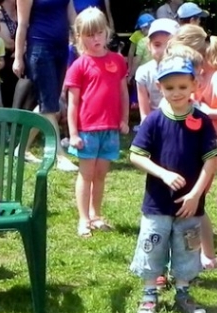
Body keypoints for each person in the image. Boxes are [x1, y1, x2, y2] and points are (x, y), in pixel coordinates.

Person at [129, 55, 217, 313]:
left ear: (194, 84)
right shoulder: (154, 121)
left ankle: (183, 291)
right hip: (157, 202)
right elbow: (135, 155)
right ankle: (149, 294)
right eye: (170, 88)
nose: (177, 93)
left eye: (183, 86)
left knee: (187, 246)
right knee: (153, 242)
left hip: (190, 204)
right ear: (160, 88)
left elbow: (212, 161)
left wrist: (196, 194)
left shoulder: (202, 122)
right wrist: (163, 174)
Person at [64, 8, 129, 237]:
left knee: (100, 174)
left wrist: (124, 119)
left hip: (110, 129)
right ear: (80, 36)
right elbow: (73, 103)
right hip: (87, 131)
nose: (96, 39)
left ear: (107, 32)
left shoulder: (118, 61)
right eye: (90, 35)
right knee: (86, 174)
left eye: (99, 33)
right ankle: (83, 219)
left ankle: (96, 214)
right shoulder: (79, 65)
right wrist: (73, 133)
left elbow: (123, 93)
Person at [12, 0, 78, 171]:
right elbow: (23, 24)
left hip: (62, 48)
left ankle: (21, 149)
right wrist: (18, 57)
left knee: (48, 104)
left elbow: (72, 16)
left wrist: (81, 39)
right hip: (40, 48)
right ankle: (59, 155)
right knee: (49, 106)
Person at [135, 18, 178, 122]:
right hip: (156, 124)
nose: (163, 50)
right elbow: (144, 115)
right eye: (157, 45)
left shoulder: (187, 70)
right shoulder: (144, 72)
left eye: (170, 45)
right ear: (149, 46)